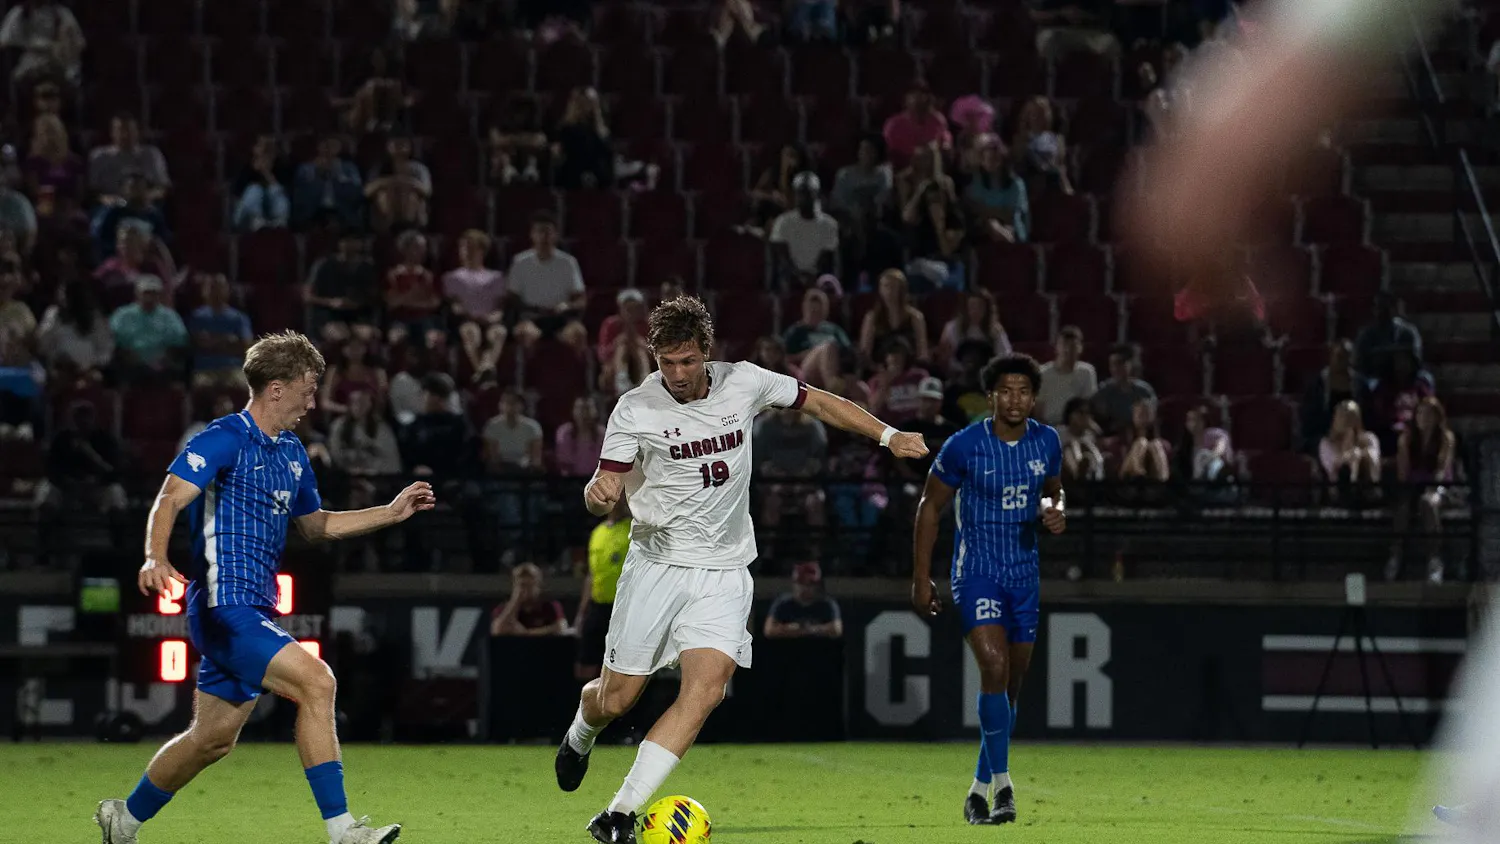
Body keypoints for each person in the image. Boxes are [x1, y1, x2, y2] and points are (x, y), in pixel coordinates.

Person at [554, 295, 927, 842]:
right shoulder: (635, 408)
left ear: (708, 352)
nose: (677, 374)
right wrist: (597, 491)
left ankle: (617, 814)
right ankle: (581, 733)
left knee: (704, 691)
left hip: (725, 570)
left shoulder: (745, 381)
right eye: (666, 362)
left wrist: (888, 436)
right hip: (657, 566)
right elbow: (602, 488)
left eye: (686, 361)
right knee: (617, 700)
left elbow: (818, 401)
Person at [95, 331, 435, 844]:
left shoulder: (293, 452)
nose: (312, 400)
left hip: (254, 609)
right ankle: (343, 831)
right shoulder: (224, 437)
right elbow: (169, 499)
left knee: (211, 740)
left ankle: (124, 819)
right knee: (318, 682)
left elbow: (315, 526)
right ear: (276, 389)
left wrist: (389, 512)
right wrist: (154, 555)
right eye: (308, 387)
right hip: (221, 605)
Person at [911, 353, 1065, 827]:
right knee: (994, 667)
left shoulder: (1048, 441)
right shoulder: (964, 446)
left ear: (1033, 397)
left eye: (1023, 390)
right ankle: (1005, 789)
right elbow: (930, 507)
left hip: (1024, 575)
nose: (1014, 398)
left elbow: (1054, 490)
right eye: (1005, 390)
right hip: (976, 571)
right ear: (992, 396)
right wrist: (921, 577)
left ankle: (978, 790)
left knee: (1011, 686)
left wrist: (1056, 510)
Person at [1391, 396, 1456, 584]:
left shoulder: (1446, 437)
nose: (1424, 418)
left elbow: (1442, 469)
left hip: (1440, 486)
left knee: (1428, 502)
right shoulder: (1407, 438)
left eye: (1429, 414)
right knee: (1402, 508)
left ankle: (1435, 559)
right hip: (1413, 486)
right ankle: (1395, 555)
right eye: (1420, 413)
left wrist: (1432, 488)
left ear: (1437, 417)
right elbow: (1403, 472)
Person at [575, 495, 630, 681]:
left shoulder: (635, 529)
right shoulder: (597, 533)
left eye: (621, 499)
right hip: (597, 608)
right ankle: (586, 708)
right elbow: (591, 575)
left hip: (624, 609)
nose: (618, 503)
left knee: (622, 668)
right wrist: (582, 612)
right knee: (585, 667)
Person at [762, 562, 842, 639]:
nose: (805, 588)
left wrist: (812, 629)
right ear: (794, 584)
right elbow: (769, 630)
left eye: (810, 584)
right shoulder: (783, 603)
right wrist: (791, 629)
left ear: (818, 586)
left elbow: (836, 630)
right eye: (801, 583)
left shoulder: (827, 604)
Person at [490, 563, 566, 636]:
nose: (526, 590)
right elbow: (497, 630)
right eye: (522, 585)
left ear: (538, 585)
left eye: (530, 585)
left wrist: (527, 633)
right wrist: (515, 600)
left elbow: (561, 626)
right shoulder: (506, 608)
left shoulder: (550, 605)